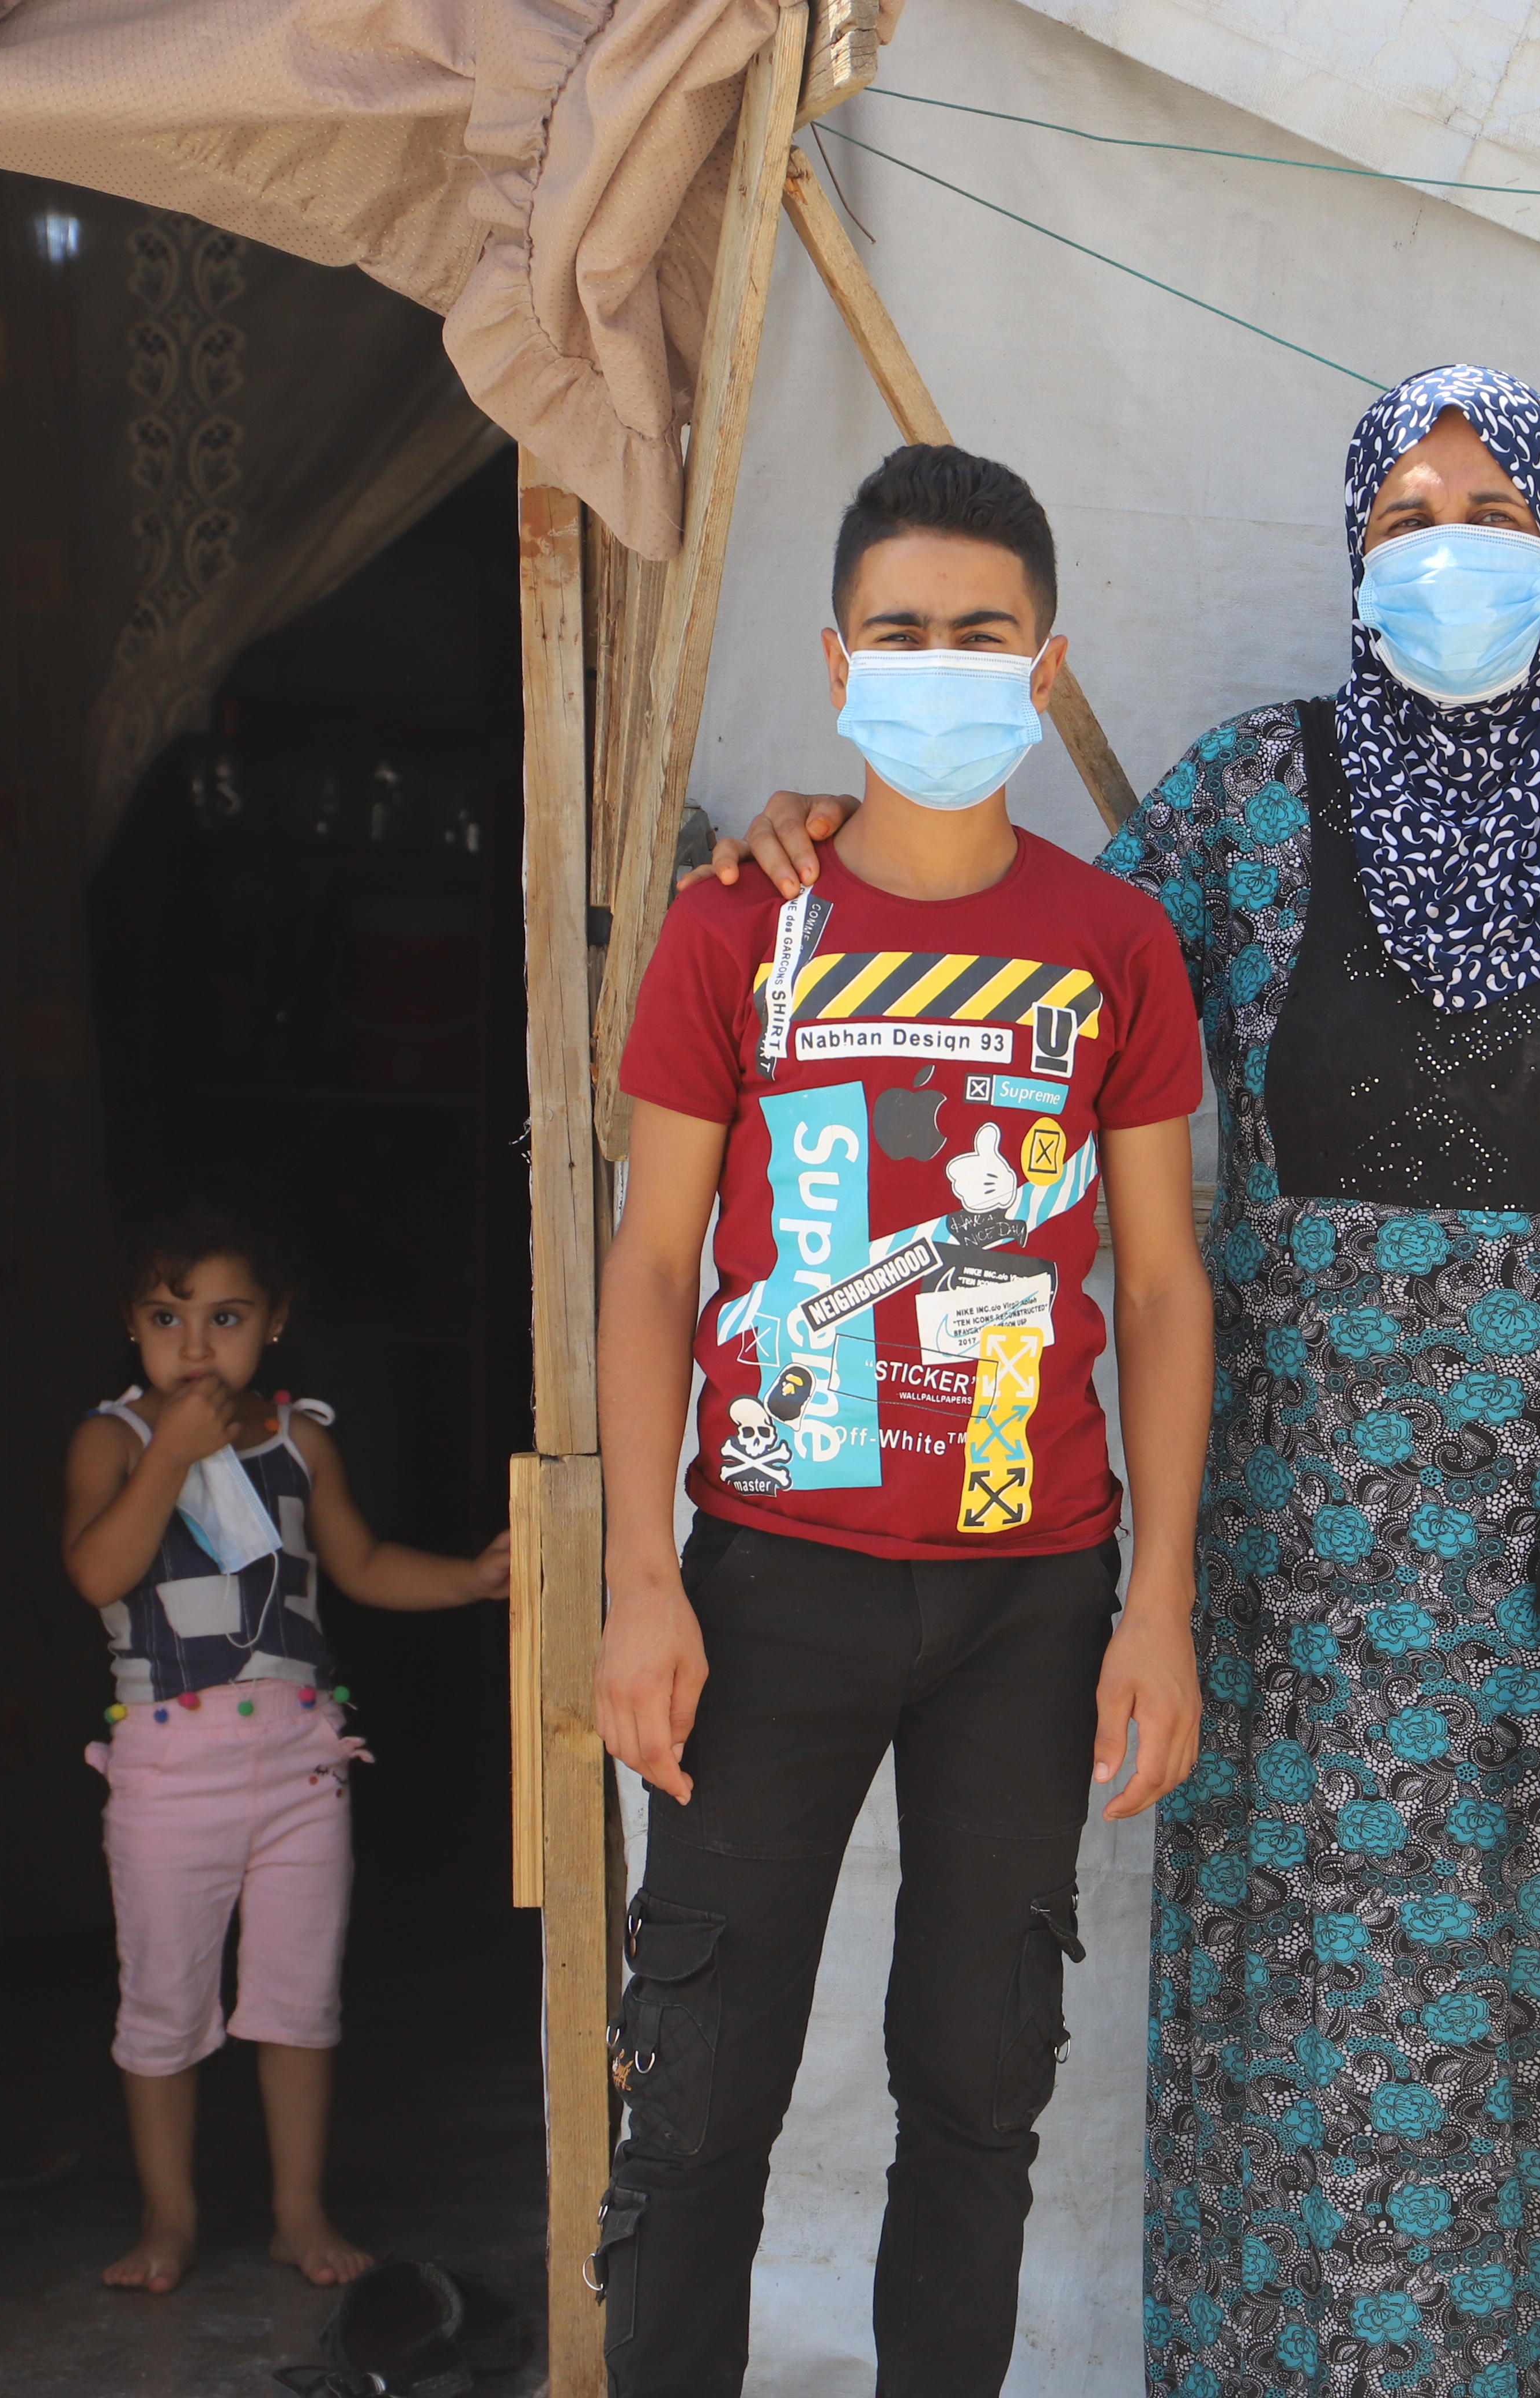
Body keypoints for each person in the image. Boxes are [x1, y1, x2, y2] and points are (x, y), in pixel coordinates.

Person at [708, 367, 1540, 2391]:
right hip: (1294, 1551)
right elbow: (1036, 973)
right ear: (1355, 558)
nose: (1449, 548)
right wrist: (839, 834)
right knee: (1326, 2036)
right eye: (1404, 514)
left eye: (1497, 508)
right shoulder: (1251, 801)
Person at [592, 443, 1210, 2396]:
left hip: (1036, 1607)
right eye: (901, 632)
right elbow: (647, 1267)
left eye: (982, 633)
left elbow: (1171, 1289)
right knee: (695, 2096)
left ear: (1043, 665)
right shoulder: (733, 933)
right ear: (836, 652)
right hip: (767, 1587)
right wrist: (637, 1582)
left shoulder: (1115, 945)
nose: (941, 665)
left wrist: (1160, 1603)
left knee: (979, 2094)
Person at [59, 1204, 512, 2295]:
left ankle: (297, 2211)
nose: (197, 1345)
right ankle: (168, 2218)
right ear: (132, 1324)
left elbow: (357, 1566)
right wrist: (170, 1454)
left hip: (305, 1767)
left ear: (276, 1322)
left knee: (298, 1998)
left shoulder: (302, 1440)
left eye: (225, 1316)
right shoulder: (113, 1439)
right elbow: (97, 1574)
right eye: (168, 1318)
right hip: (168, 1773)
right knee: (164, 1999)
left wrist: (471, 1577)